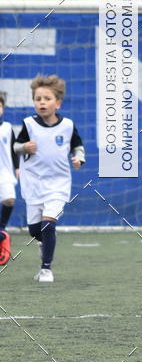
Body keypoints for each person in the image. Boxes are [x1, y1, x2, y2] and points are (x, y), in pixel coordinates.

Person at [14, 75, 85, 282]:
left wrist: (79, 158)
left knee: (48, 225)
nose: (42, 102)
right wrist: (24, 147)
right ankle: (45, 241)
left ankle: (46, 269)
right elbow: (16, 147)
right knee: (35, 230)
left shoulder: (68, 126)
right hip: (33, 183)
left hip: (58, 184)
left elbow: (78, 146)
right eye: (38, 99)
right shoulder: (28, 124)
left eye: (46, 98)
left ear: (58, 103)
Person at [0, 92, 18, 267]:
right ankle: (2, 237)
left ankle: (2, 229)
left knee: (9, 200)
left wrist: (17, 167)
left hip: (4, 173)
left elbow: (13, 150)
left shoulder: (7, 128)